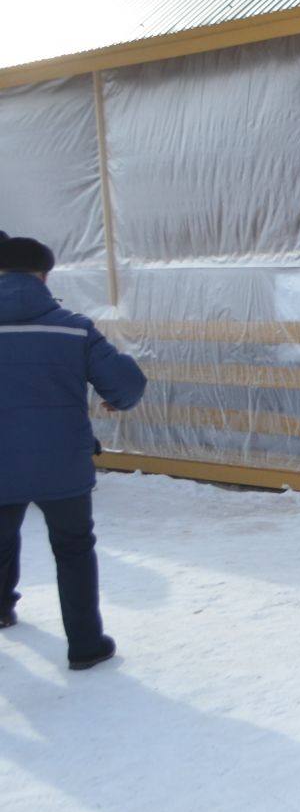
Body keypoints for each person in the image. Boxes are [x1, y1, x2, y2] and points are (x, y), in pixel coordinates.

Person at [0, 236, 147, 670]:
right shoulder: (72, 327)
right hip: (62, 463)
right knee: (74, 548)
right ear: (44, 277)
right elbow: (128, 383)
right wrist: (116, 400)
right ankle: (85, 645)